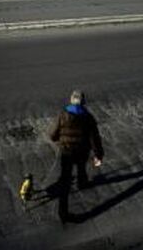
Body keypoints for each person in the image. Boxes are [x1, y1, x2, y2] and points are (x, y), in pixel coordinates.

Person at [49, 90, 104, 222]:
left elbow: (52, 134)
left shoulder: (62, 114)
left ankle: (63, 212)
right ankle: (82, 183)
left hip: (66, 151)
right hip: (82, 150)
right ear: (83, 102)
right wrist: (99, 155)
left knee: (65, 181)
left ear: (71, 100)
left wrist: (60, 140)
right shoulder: (88, 117)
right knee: (81, 167)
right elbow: (94, 139)